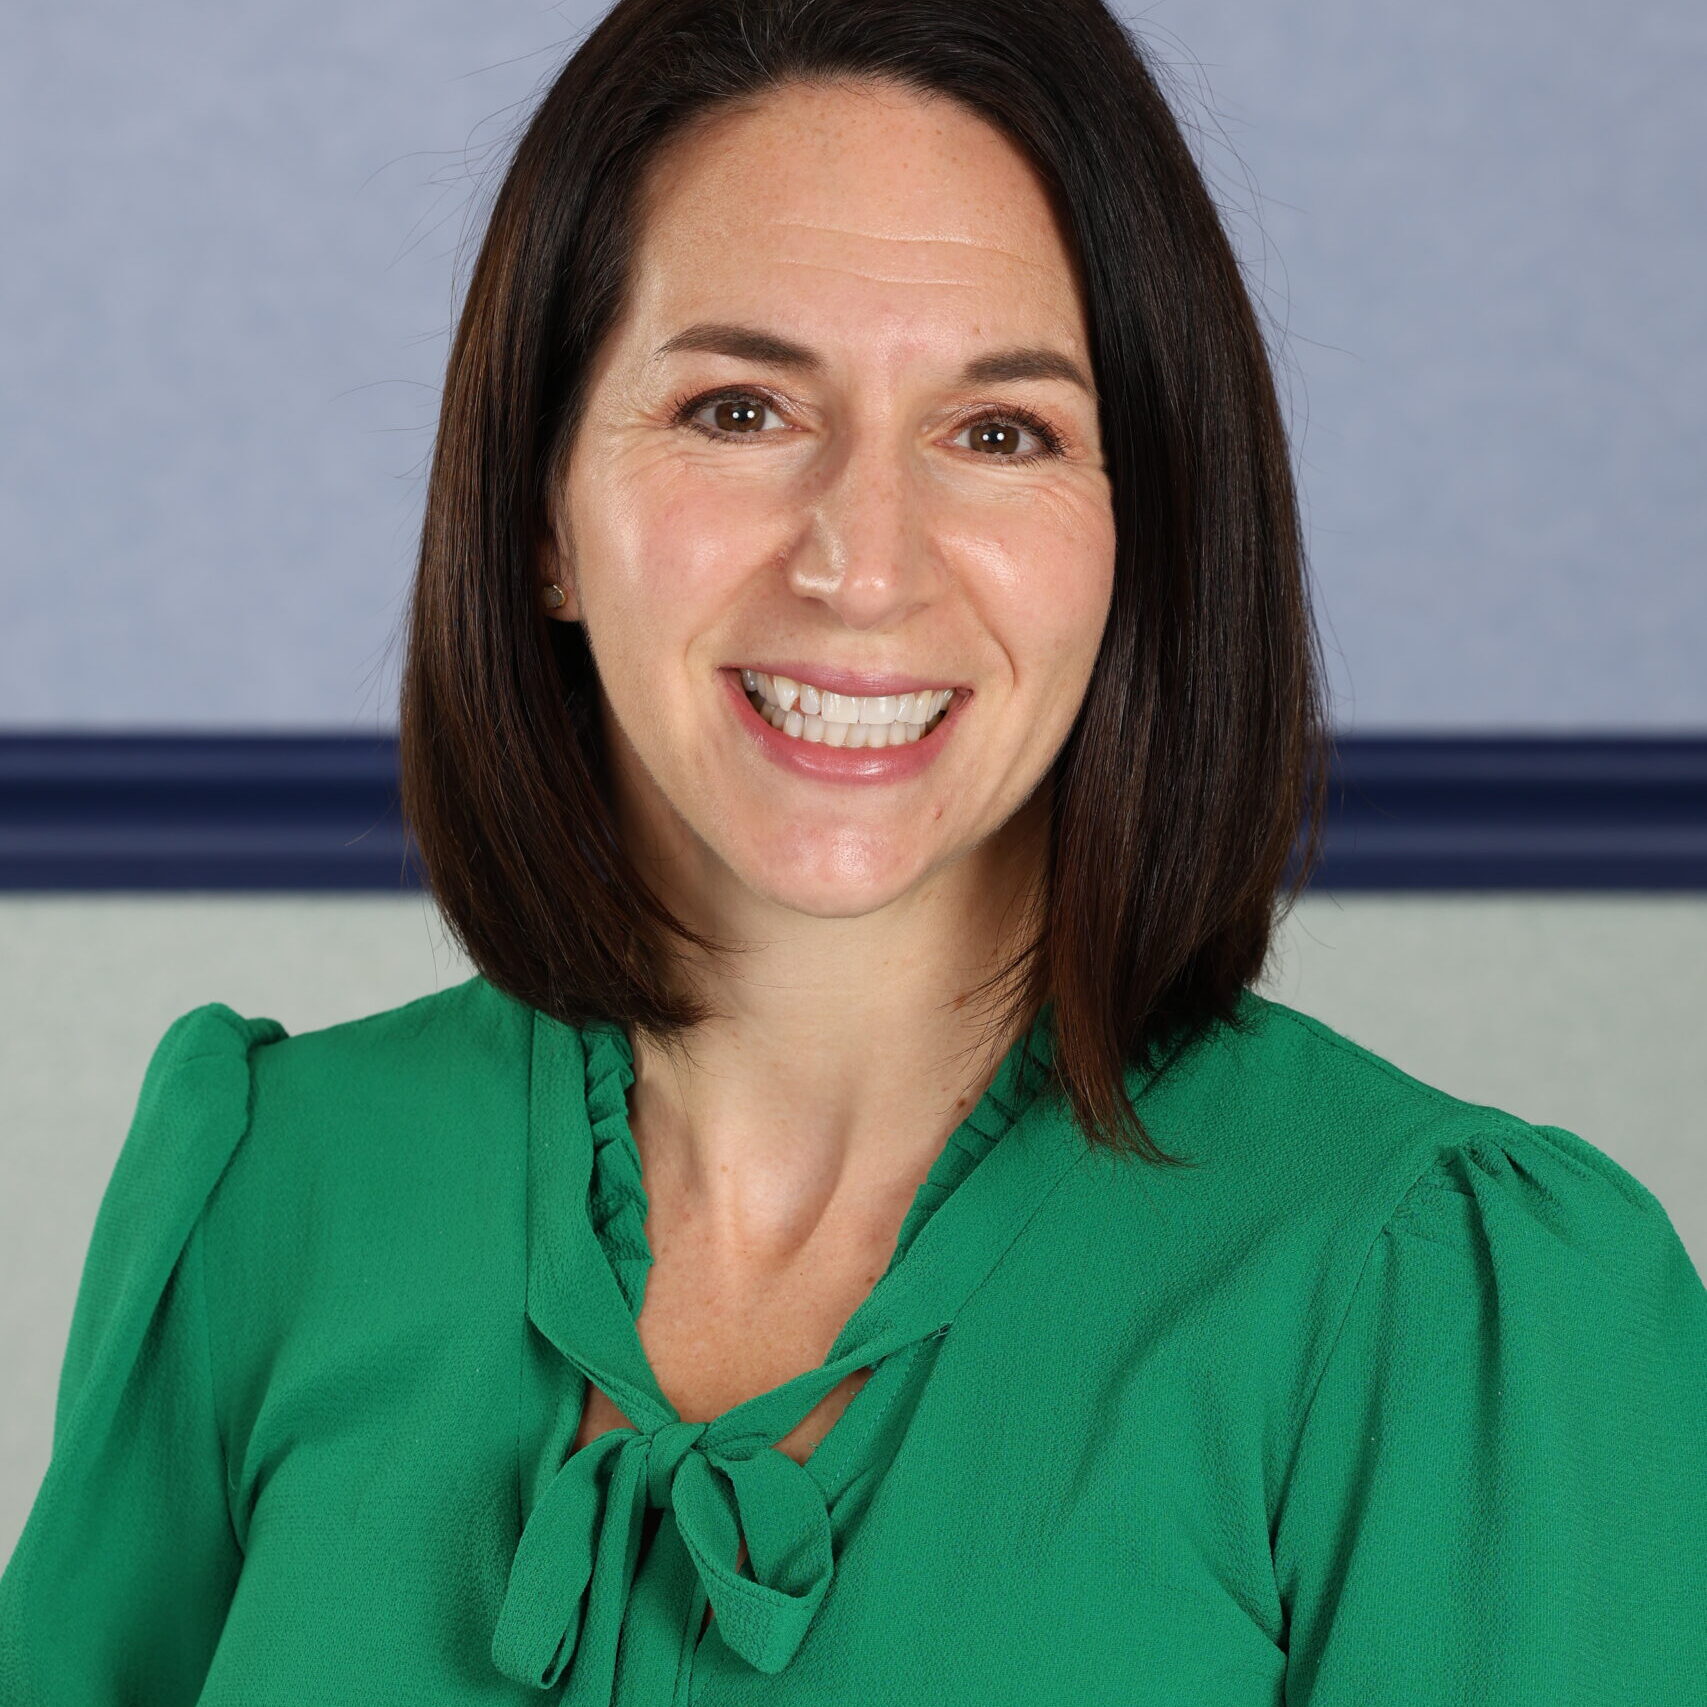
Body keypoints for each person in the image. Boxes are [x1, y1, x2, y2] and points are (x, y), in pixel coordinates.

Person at [4, 0, 1705, 1701]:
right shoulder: (266, 1195)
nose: (861, 565)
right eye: (741, 410)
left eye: (999, 432)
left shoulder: (1445, 1306)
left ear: (1145, 535)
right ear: (544, 517)